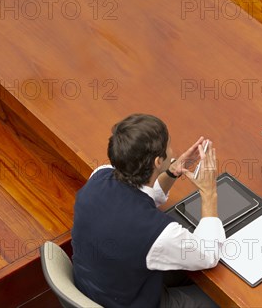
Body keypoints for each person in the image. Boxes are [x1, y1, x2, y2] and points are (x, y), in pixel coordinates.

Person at [71, 113, 224, 308]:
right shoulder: (160, 234)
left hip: (97, 286)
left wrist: (172, 171)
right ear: (158, 161)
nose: (172, 149)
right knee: (221, 300)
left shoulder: (99, 176)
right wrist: (209, 192)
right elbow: (208, 255)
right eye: (168, 146)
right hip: (131, 302)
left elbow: (141, 194)